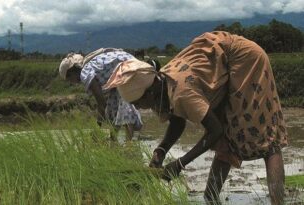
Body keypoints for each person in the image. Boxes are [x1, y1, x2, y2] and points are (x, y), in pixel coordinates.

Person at [103, 31, 288, 204]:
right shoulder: (163, 84)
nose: (137, 107)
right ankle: (211, 198)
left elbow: (214, 130)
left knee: (266, 140)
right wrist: (161, 150)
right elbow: (177, 121)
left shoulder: (182, 91)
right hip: (225, 65)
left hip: (246, 61)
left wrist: (181, 163)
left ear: (149, 93)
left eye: (137, 102)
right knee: (226, 138)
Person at [59, 48, 160, 141]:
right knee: (112, 107)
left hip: (127, 71)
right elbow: (106, 104)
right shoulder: (91, 65)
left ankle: (129, 144)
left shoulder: (85, 72)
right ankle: (113, 140)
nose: (71, 83)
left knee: (124, 105)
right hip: (124, 72)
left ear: (72, 72)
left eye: (69, 79)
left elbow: (101, 103)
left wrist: (97, 128)